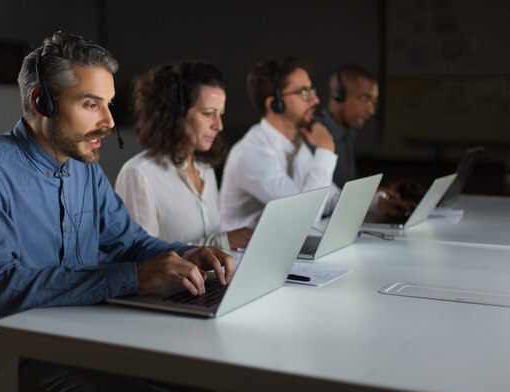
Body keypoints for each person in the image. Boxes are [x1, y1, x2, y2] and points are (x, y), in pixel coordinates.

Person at [0, 31, 235, 392]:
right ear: (41, 102)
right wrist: (131, 277)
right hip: (6, 360)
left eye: (109, 105)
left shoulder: (83, 168)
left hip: (79, 341)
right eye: (91, 104)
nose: (110, 122)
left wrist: (188, 254)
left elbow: (130, 243)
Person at [115, 61, 252, 250]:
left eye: (220, 114)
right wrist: (221, 243)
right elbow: (140, 259)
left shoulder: (205, 168)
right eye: (208, 113)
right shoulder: (138, 174)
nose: (218, 125)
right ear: (175, 114)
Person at [220, 56, 339, 231]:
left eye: (311, 90)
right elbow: (305, 216)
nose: (315, 100)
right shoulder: (251, 152)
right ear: (275, 104)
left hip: (277, 247)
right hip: (241, 256)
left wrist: (378, 201)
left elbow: (329, 198)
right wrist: (325, 150)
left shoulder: (295, 143)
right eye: (304, 92)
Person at [314, 64, 417, 216]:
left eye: (373, 102)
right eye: (364, 99)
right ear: (339, 94)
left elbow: (345, 189)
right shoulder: (317, 133)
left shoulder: (347, 132)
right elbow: (324, 198)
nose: (371, 110)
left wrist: (381, 193)